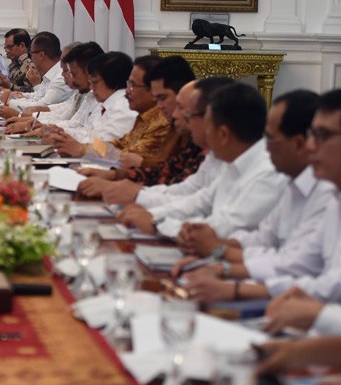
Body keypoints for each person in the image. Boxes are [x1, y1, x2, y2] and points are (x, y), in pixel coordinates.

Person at [185, 88, 341, 304]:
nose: (311, 145)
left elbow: (322, 281)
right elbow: (271, 244)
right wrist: (221, 262)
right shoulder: (327, 194)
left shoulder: (323, 192)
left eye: (321, 136)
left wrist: (223, 263)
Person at [117, 83, 286, 240]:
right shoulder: (231, 160)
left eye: (206, 123)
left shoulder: (267, 173)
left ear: (223, 134)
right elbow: (199, 202)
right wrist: (150, 213)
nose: (203, 131)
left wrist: (156, 223)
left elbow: (222, 226)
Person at [83, 56, 201, 201]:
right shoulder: (144, 117)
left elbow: (122, 157)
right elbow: (118, 148)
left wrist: (80, 149)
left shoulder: (162, 122)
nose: (127, 92)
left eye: (132, 85)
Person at [43, 51, 137, 153]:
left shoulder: (123, 107)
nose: (91, 88)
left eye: (95, 82)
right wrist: (61, 133)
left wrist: (79, 148)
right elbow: (91, 134)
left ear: (110, 79)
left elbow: (108, 149)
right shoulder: (107, 103)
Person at [0, 32, 72, 117]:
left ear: (41, 55)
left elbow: (41, 105)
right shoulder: (50, 74)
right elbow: (38, 96)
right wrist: (20, 95)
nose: (30, 58)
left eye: (30, 53)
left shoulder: (61, 78)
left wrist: (10, 102)